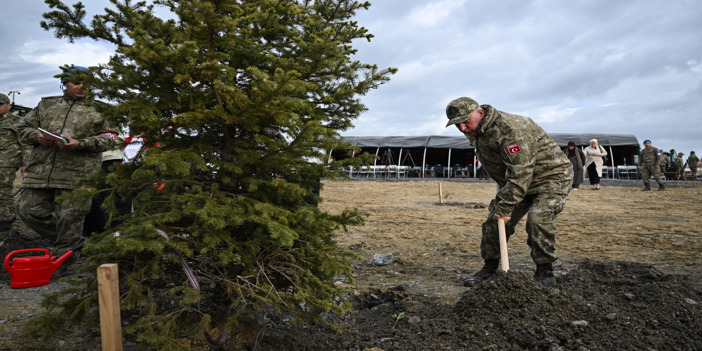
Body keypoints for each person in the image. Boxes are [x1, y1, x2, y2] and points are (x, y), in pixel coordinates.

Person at [445, 97, 573, 286]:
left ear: (480, 113)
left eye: (465, 122)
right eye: (457, 125)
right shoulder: (475, 129)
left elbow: (521, 172)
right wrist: (501, 203)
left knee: (538, 220)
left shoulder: (511, 130)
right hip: (516, 180)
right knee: (493, 222)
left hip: (550, 178)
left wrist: (505, 206)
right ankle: (489, 269)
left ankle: (545, 272)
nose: (462, 129)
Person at [15, 65, 117, 262]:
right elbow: (23, 127)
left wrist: (82, 143)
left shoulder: (101, 109)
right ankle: (76, 242)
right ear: (64, 84)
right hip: (40, 171)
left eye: (86, 83)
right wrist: (37, 137)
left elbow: (111, 136)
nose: (82, 87)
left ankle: (63, 260)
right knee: (28, 211)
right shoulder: (46, 105)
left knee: (69, 218)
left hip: (78, 174)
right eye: (76, 82)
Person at [0, 93, 31, 234]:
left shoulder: (17, 122)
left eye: (0, 104)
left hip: (7, 161)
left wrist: (26, 163)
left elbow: (25, 144)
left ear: (9, 106)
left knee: (3, 190)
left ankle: (6, 222)